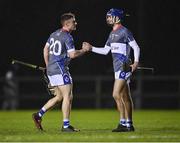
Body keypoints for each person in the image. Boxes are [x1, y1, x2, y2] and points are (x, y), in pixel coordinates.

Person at [83, 8, 140, 132]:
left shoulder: (124, 31)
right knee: (125, 96)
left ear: (117, 18)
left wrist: (135, 62)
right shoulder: (112, 33)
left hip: (123, 67)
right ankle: (129, 125)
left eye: (110, 16)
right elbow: (105, 51)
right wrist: (91, 48)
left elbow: (136, 47)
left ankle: (123, 123)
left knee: (116, 94)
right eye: (107, 16)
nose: (108, 18)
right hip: (117, 68)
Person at [32, 12, 89, 132]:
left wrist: (48, 66)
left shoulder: (53, 34)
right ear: (67, 23)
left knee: (59, 97)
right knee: (68, 96)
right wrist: (84, 50)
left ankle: (38, 115)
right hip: (60, 69)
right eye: (74, 21)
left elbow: (45, 49)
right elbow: (72, 54)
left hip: (52, 69)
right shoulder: (67, 36)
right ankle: (66, 126)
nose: (76, 23)